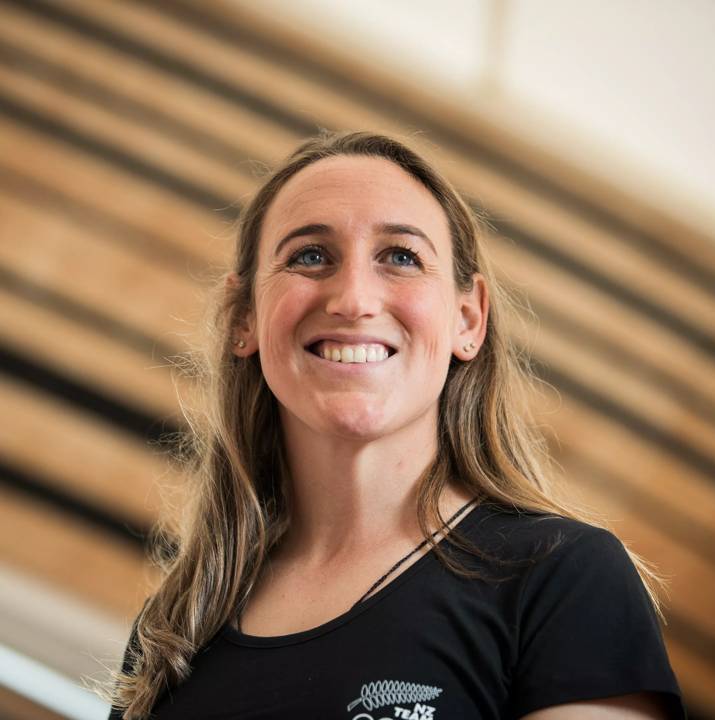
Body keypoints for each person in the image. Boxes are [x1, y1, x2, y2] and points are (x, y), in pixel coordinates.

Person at [106, 131, 685, 719]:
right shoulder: (175, 631)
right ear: (244, 318)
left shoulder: (563, 579)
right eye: (310, 256)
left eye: (401, 257)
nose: (353, 298)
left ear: (468, 319)